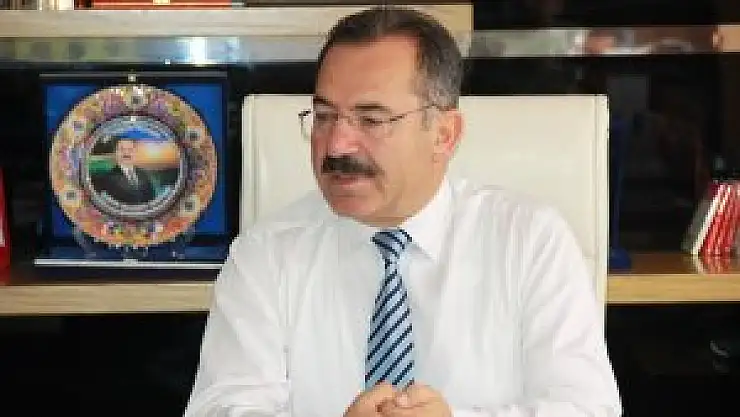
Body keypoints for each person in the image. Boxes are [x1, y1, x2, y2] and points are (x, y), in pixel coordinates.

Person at [184, 6, 622, 417]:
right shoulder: (265, 256)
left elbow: (586, 408)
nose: (336, 145)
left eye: (371, 120)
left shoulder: (529, 240)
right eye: (324, 116)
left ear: (444, 135)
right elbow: (224, 408)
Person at [90, 135, 155, 205]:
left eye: (130, 149)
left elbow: (151, 198)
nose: (126, 153)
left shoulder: (143, 174)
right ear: (115, 152)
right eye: (122, 149)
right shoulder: (106, 179)